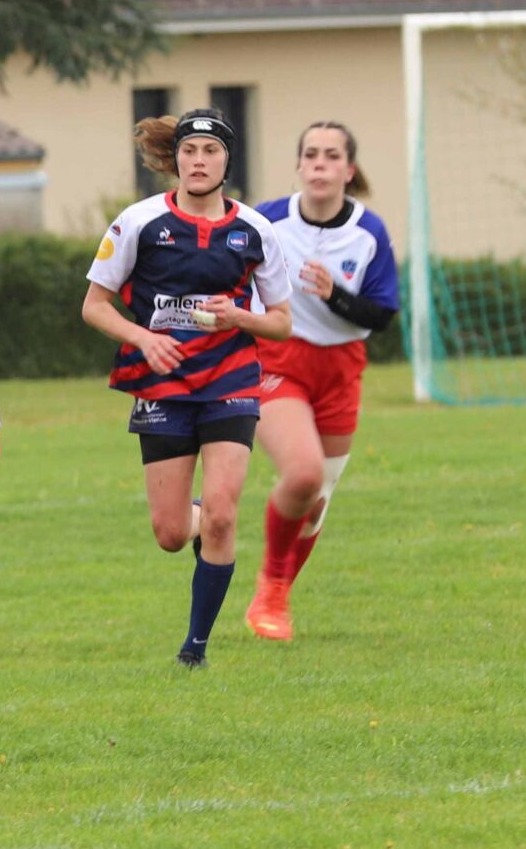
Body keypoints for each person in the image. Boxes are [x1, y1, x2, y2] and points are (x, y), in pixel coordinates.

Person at [81, 109, 294, 668]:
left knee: (223, 515)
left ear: (228, 160)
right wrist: (143, 339)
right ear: (175, 159)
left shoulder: (255, 230)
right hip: (161, 382)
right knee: (172, 534)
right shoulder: (139, 222)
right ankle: (197, 516)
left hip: (230, 378)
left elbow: (280, 322)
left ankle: (194, 650)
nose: (199, 161)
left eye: (211, 151)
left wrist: (238, 318)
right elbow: (94, 306)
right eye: (189, 151)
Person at [246, 121, 399, 636]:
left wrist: (336, 294)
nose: (319, 164)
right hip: (279, 362)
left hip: (340, 370)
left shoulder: (369, 232)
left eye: (331, 156)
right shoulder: (267, 221)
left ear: (349, 170)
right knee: (304, 474)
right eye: (310, 154)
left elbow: (381, 315)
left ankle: (276, 599)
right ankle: (270, 585)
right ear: (298, 165)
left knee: (316, 503)